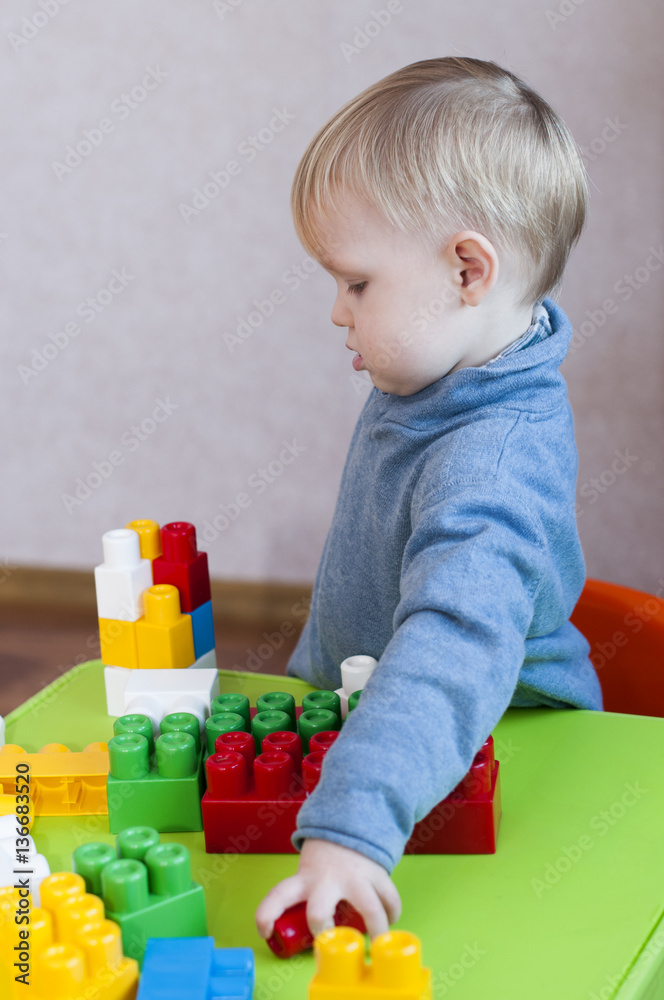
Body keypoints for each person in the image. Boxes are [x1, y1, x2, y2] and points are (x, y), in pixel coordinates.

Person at [255, 55, 603, 945]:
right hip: (378, 732)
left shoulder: (492, 464)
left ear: (467, 273)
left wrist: (352, 826)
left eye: (357, 283)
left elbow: (454, 645)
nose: (337, 312)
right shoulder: (445, 366)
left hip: (496, 745)